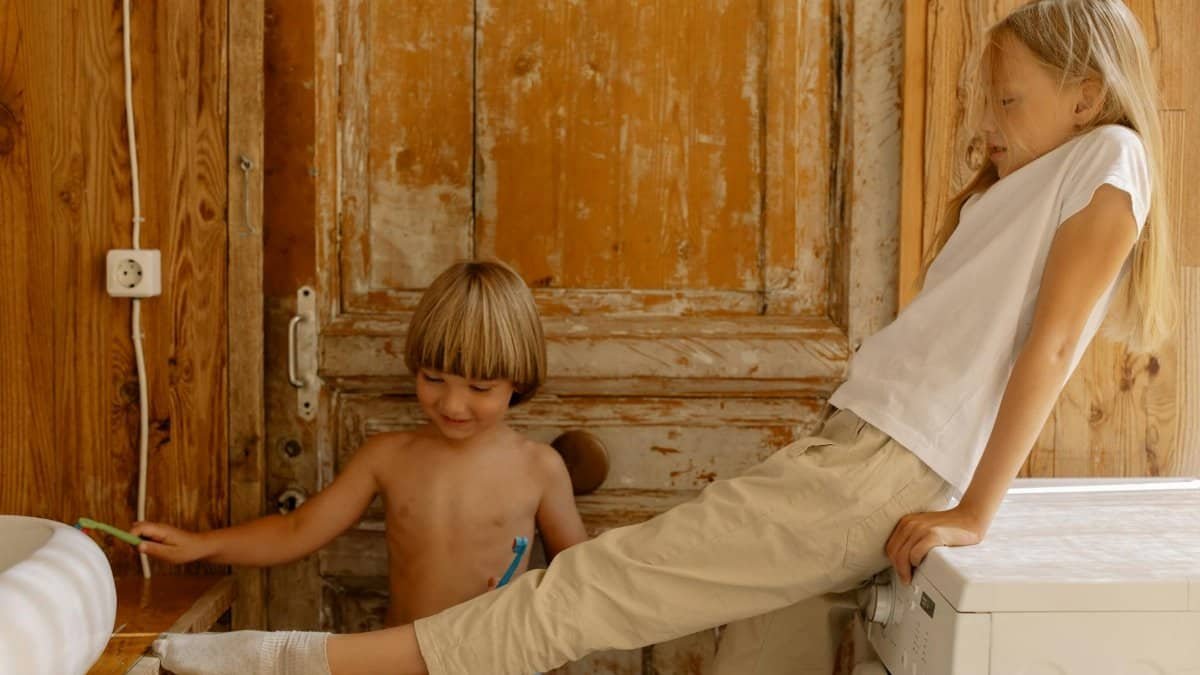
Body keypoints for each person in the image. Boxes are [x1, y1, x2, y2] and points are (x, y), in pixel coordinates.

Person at [151, 1, 1177, 673]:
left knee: (598, 588)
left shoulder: (1109, 160)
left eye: (1009, 100)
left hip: (884, 466)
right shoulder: (1040, 179)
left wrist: (974, 512)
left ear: (1086, 94)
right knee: (751, 650)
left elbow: (1049, 351)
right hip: (858, 454)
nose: (990, 122)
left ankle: (291, 661)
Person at [139, 261, 588, 657]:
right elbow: (298, 530)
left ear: (518, 380)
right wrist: (201, 545)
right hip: (402, 663)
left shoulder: (540, 468)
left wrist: (530, 601)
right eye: (434, 379)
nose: (453, 404)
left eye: (480, 388)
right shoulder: (387, 457)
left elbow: (583, 583)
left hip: (501, 661)